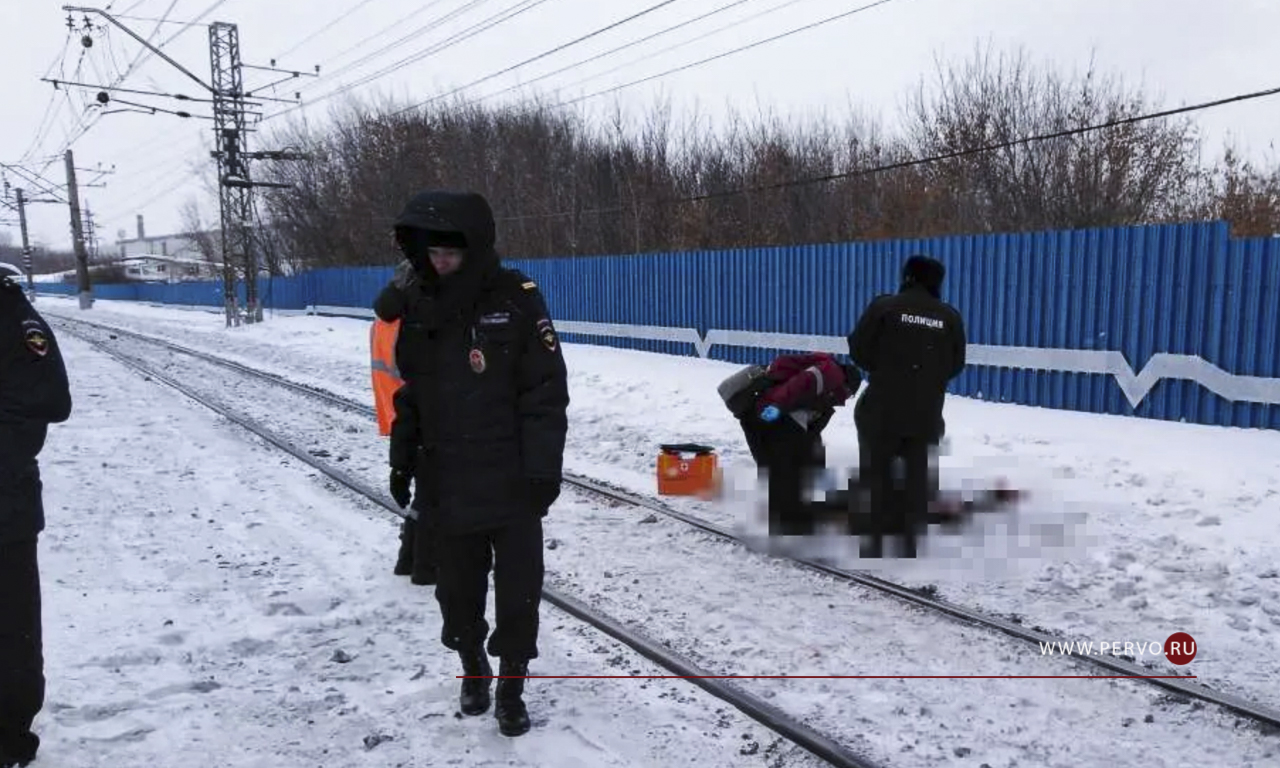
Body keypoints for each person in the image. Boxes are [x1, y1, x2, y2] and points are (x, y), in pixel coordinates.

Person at [384, 189, 569, 738]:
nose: (440, 262)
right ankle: (473, 666)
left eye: (451, 253)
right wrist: (402, 461)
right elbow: (410, 393)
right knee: (456, 589)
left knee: (519, 590)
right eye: (431, 253)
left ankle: (512, 683)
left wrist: (543, 470)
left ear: (475, 247)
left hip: (511, 476)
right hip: (447, 477)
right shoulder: (420, 303)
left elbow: (545, 391)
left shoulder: (515, 298)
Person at [847, 254, 966, 558]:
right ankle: (909, 544)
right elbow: (955, 364)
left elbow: (859, 350)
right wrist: (925, 380)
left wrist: (888, 370)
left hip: (881, 409)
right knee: (917, 477)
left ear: (908, 277)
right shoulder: (950, 317)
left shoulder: (884, 307)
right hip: (925, 413)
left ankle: (873, 544)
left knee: (876, 472)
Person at [0, 274, 72, 768]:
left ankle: (8, 743)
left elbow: (49, 399)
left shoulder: (10, 312)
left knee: (10, 632)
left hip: (5, 505)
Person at [721, 353, 861, 536]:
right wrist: (775, 406)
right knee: (784, 470)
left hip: (769, 416)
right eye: (849, 395)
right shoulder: (830, 373)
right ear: (847, 384)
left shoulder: (828, 382)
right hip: (766, 414)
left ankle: (793, 522)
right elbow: (796, 387)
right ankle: (788, 525)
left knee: (790, 468)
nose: (844, 400)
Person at [372, 263, 437, 586]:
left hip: (399, 404)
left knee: (424, 489)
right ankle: (425, 567)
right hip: (419, 403)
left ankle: (409, 559)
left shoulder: (390, 309)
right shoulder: (417, 306)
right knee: (434, 491)